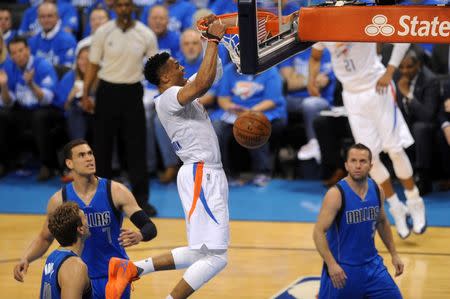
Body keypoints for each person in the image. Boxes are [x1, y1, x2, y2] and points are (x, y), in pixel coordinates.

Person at [105, 19, 228, 299]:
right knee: (217, 258)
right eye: (176, 65)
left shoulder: (179, 91)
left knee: (201, 252)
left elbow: (212, 73)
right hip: (201, 174)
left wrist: (221, 39)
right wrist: (213, 41)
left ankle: (132, 269)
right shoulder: (169, 97)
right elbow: (203, 81)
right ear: (164, 77)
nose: (183, 66)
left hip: (203, 174)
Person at [309, 42, 426, 239]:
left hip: (377, 87)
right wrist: (310, 80)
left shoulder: (363, 14)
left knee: (394, 150)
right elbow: (314, 56)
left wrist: (390, 71)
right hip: (351, 95)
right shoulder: (324, 21)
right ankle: (396, 208)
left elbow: (403, 39)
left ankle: (415, 201)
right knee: (369, 160)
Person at [13, 139, 157, 299]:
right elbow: (45, 238)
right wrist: (25, 258)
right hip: (79, 277)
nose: (89, 158)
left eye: (90, 153)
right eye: (81, 155)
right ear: (69, 163)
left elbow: (149, 227)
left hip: (115, 277)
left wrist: (140, 235)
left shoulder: (116, 191)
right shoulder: (59, 200)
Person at [82, 0, 158, 216]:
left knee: (137, 148)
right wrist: (87, 93)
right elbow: (93, 65)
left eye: (127, 5)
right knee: (103, 147)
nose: (124, 9)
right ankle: (101, 199)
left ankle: (141, 200)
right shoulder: (103, 32)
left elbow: (154, 67)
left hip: (132, 92)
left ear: (133, 8)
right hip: (107, 91)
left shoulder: (146, 34)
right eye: (120, 5)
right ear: (114, 8)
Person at [313, 143, 404, 299]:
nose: (357, 165)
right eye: (353, 161)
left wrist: (394, 254)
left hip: (373, 267)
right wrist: (332, 265)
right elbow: (318, 232)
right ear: (346, 165)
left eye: (362, 161)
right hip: (343, 269)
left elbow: (382, 221)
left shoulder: (377, 189)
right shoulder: (336, 194)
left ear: (370, 165)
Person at [396, 49, 441, 195]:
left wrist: (408, 94)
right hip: (407, 121)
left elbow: (427, 115)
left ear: (419, 65)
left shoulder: (430, 80)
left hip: (429, 124)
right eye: (401, 67)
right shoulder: (397, 77)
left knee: (419, 128)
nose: (405, 71)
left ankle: (423, 177)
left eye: (409, 67)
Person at [40, 202, 92, 299]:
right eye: (85, 218)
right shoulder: (75, 267)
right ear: (80, 229)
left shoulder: (52, 257)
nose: (88, 221)